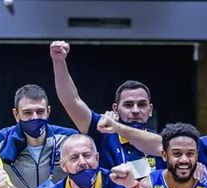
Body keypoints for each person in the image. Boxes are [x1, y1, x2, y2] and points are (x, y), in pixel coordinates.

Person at [50, 40, 164, 174]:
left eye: (141, 104)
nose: (135, 110)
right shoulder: (103, 131)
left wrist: (117, 127)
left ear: (150, 110)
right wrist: (59, 61)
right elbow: (71, 100)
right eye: (128, 105)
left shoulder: (158, 141)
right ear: (115, 109)